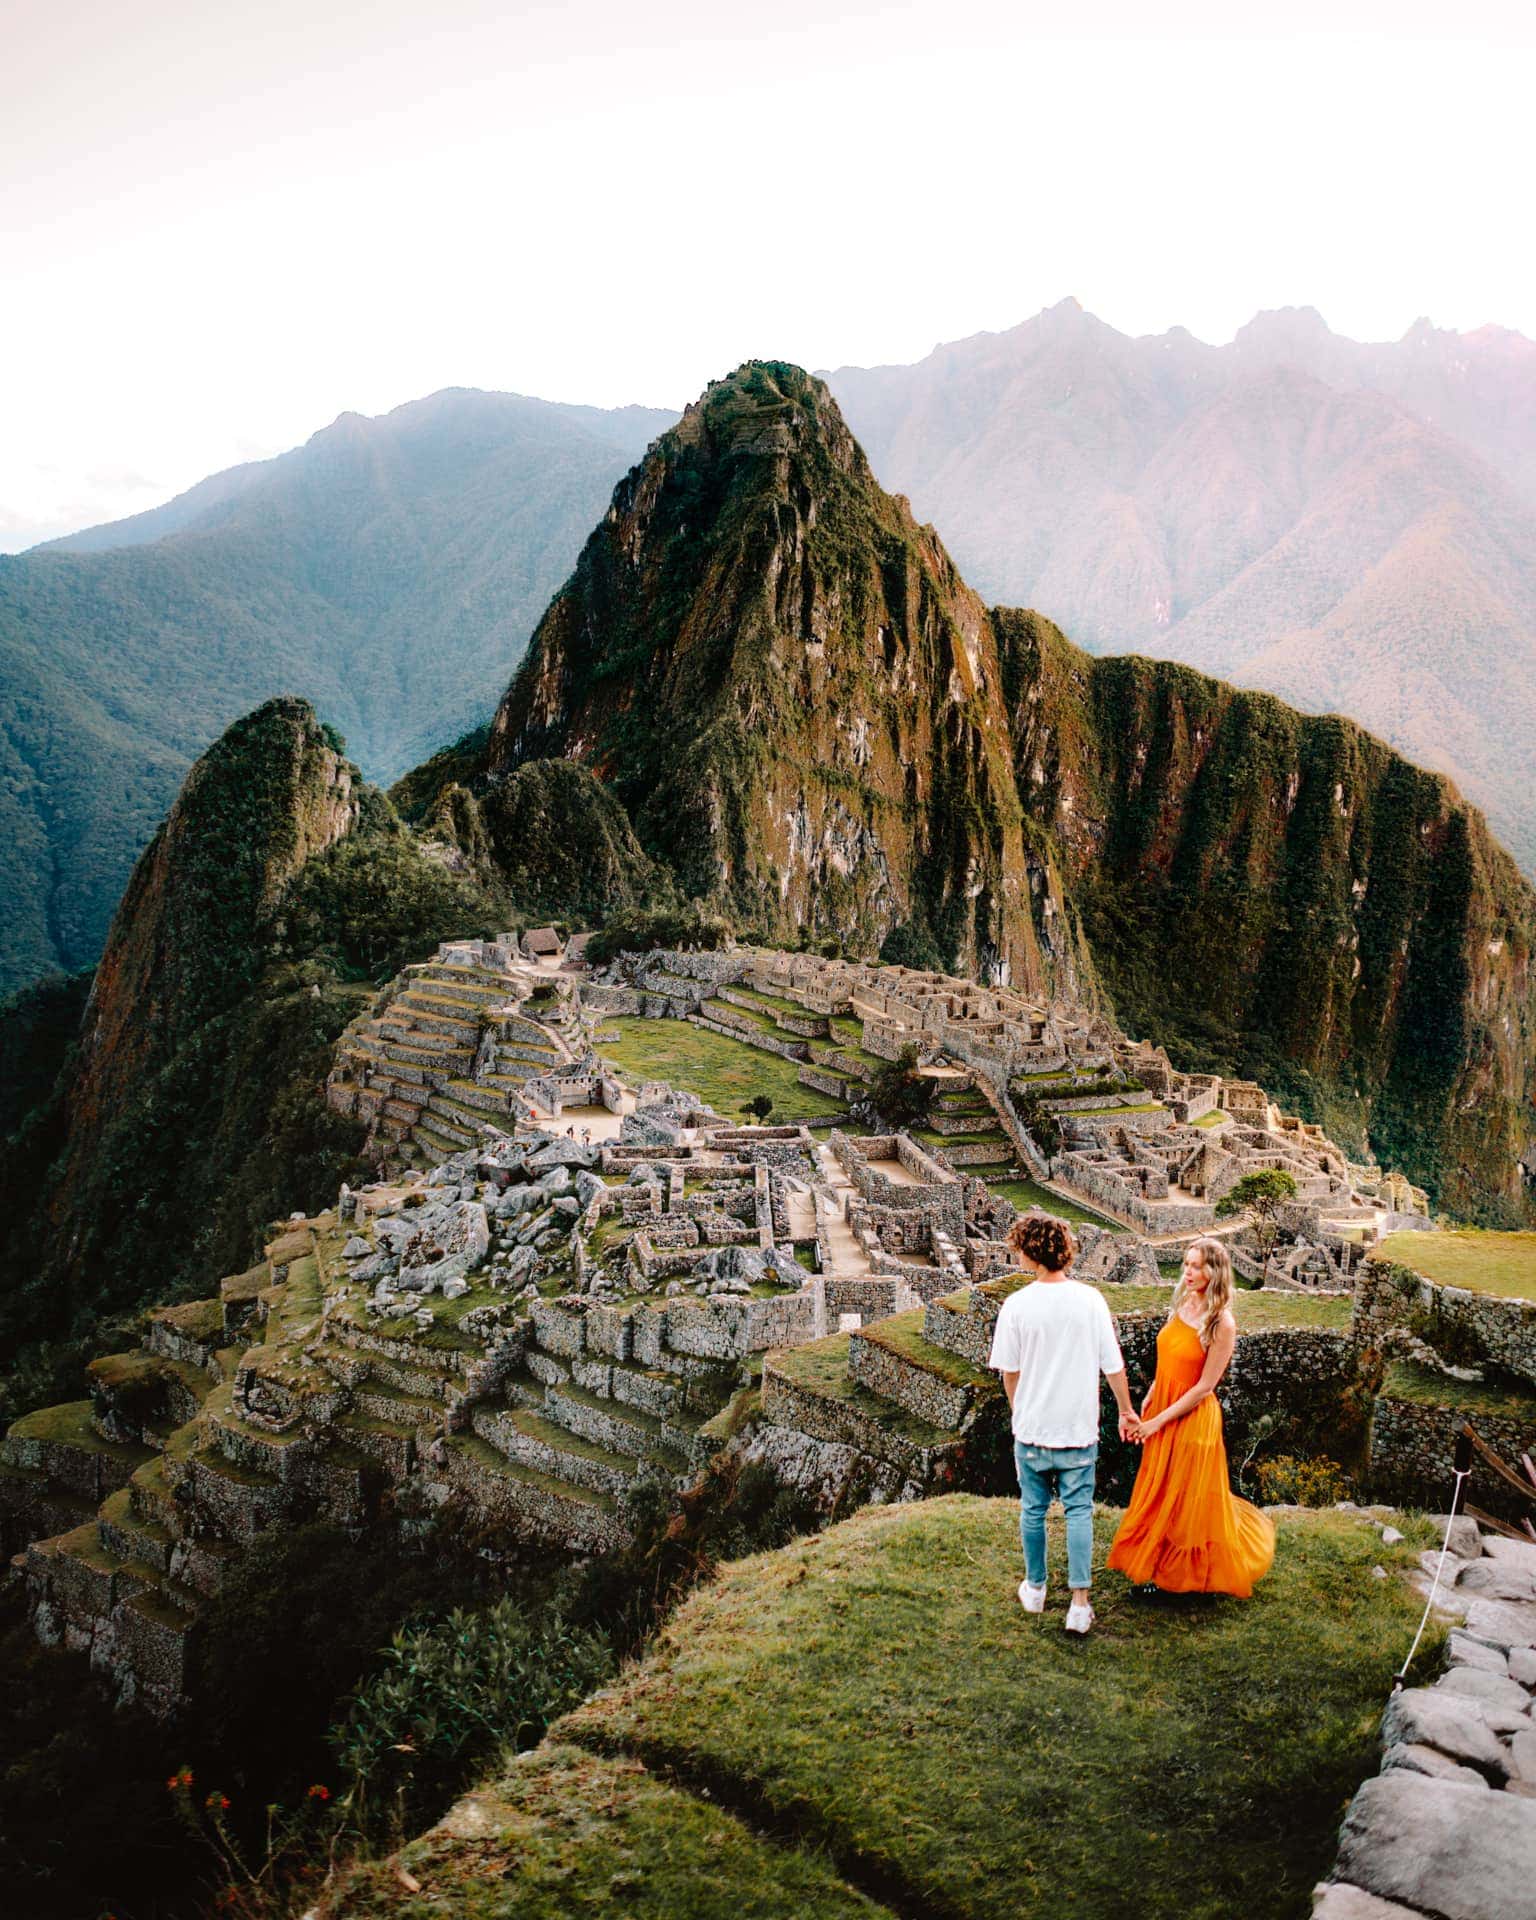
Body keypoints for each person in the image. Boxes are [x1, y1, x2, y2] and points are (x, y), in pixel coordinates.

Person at [989, 1213, 1139, 1635]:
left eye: (1019, 1246)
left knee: (1033, 1510)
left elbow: (1010, 1372)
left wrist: (1020, 1411)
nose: (1016, 1253)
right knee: (1078, 1513)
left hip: (1034, 1427)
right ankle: (1078, 1604)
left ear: (1031, 1251)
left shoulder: (1017, 1305)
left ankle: (1036, 1588)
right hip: (1076, 1428)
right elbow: (1113, 1366)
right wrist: (1126, 1410)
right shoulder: (1090, 1300)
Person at [1107, 1237, 1275, 1597]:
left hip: (1191, 1417)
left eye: (1197, 1266)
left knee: (1184, 1498)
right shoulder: (1183, 1302)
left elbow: (1203, 1387)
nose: (1189, 1272)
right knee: (1163, 1489)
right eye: (1186, 1264)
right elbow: (1167, 1361)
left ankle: (1177, 1580)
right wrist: (1148, 1402)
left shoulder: (1221, 1323)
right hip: (1162, 1406)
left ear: (1215, 1271)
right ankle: (1160, 1563)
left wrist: (1156, 1421)